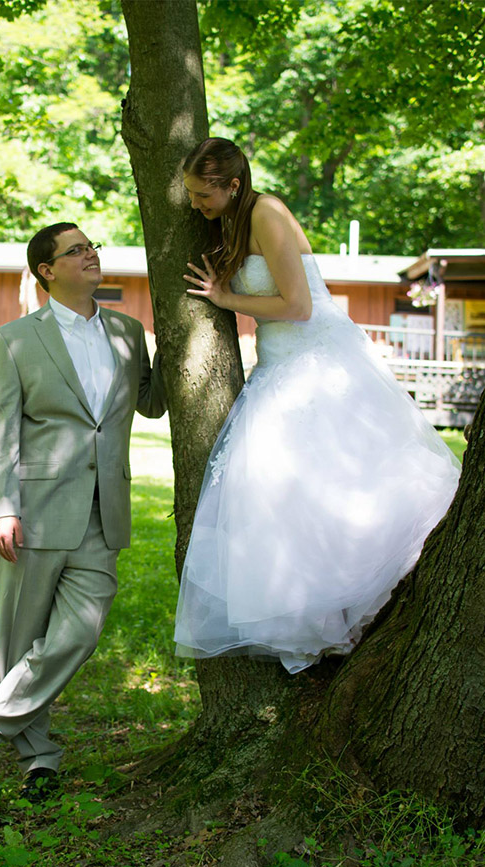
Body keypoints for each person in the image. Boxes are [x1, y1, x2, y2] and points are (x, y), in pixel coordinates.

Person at [174, 138, 461, 674]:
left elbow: (298, 306)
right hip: (279, 362)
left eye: (201, 194)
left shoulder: (268, 212)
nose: (195, 205)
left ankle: (356, 610)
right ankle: (323, 624)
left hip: (317, 364)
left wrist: (225, 299)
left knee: (335, 486)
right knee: (284, 493)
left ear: (232, 185)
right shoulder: (234, 221)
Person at [0, 222, 166, 799]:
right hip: (35, 507)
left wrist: (185, 338)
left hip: (102, 509)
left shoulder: (127, 329)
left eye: (91, 247)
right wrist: (1, 508)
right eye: (75, 251)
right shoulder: (16, 339)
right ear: (47, 270)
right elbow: (0, 429)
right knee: (20, 638)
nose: (90, 254)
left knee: (79, 633)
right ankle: (40, 758)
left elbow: (152, 403)